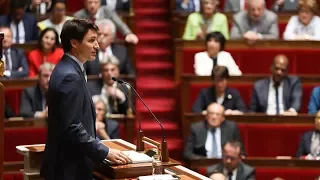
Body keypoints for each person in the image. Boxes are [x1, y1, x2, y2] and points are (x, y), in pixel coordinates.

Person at [40, 19, 131, 180]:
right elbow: (72, 127)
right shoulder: (70, 75)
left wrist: (101, 146)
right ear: (74, 43)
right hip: (68, 169)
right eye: (91, 40)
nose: (97, 45)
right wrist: (106, 152)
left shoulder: (69, 68)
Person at [74, 0, 138, 44]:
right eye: (90, 2)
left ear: (100, 3)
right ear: (85, 3)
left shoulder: (107, 11)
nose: (92, 5)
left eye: (96, 2)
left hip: (108, 44)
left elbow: (120, 24)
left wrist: (128, 33)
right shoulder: (79, 15)